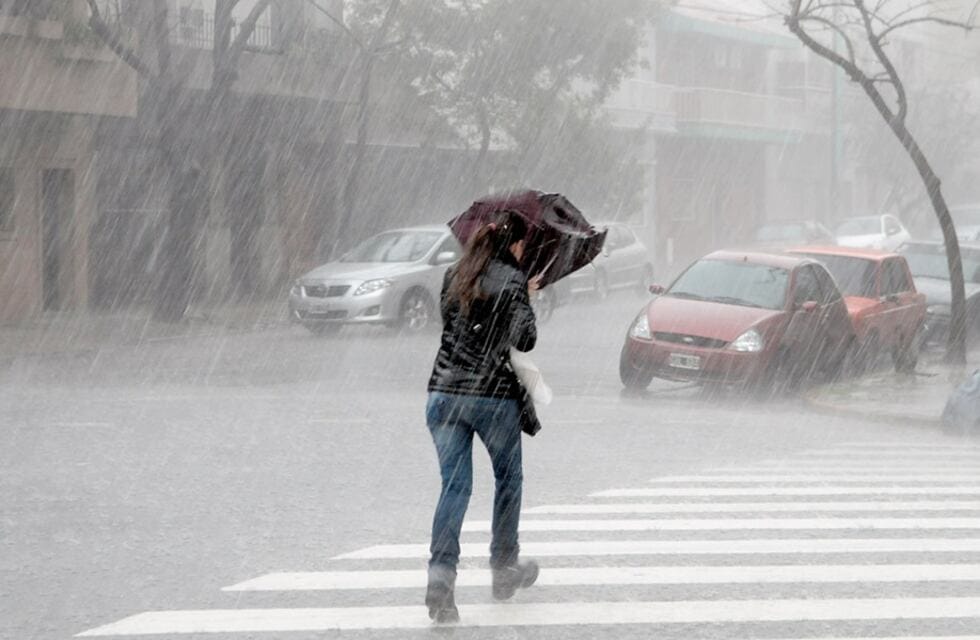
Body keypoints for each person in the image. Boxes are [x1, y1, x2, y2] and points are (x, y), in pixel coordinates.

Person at [424, 209, 541, 623]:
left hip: (442, 394)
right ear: (514, 244)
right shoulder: (512, 280)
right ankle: (504, 568)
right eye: (524, 245)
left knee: (454, 489)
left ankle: (440, 579)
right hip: (491, 397)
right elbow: (524, 337)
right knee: (508, 479)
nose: (524, 251)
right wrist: (525, 294)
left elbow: (453, 324)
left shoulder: (453, 274)